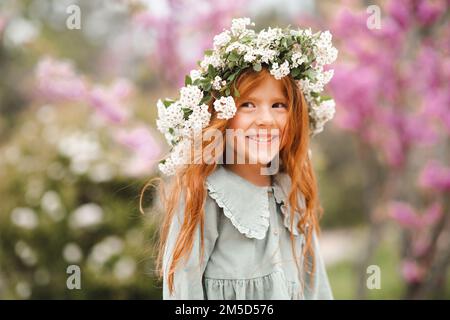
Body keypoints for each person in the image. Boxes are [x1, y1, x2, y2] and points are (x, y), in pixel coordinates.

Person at [146, 17, 338, 300]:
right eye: (247, 104)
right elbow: (183, 294)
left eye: (278, 105)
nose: (265, 119)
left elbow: (317, 289)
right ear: (222, 114)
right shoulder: (203, 195)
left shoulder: (291, 192)